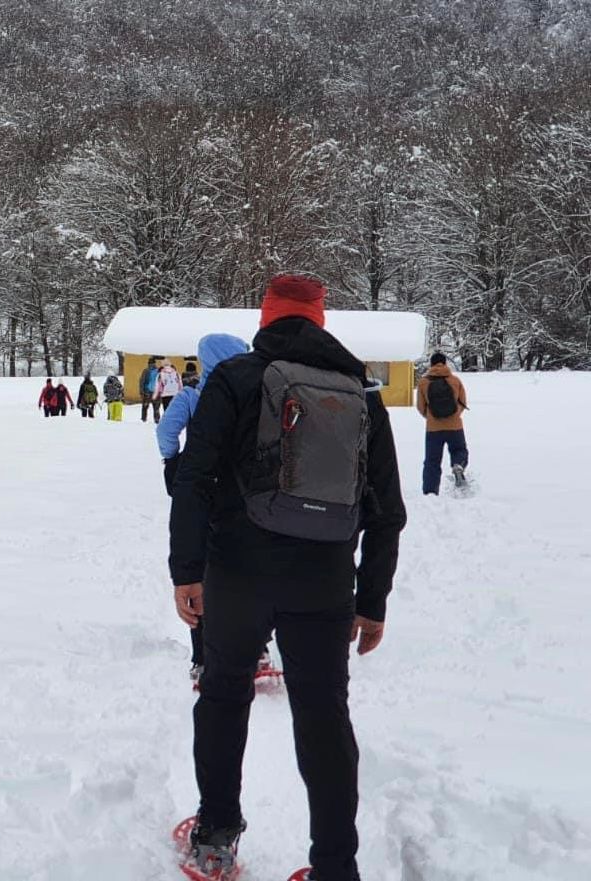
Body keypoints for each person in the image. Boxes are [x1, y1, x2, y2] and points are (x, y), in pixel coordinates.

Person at [169, 274, 406, 881]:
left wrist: (187, 569)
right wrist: (372, 599)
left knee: (224, 695)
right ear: (320, 320)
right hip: (324, 581)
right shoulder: (360, 392)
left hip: (238, 574)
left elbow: (194, 475)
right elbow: (386, 508)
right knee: (324, 715)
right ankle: (334, 867)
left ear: (266, 317)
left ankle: (216, 838)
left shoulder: (235, 378)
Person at [156, 333, 251, 684]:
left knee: (205, 569)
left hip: (204, 491)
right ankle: (256, 647)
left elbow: (166, 431)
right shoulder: (255, 391)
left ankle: (202, 655)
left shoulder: (193, 396)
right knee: (249, 570)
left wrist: (172, 460)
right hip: (247, 495)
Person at [416, 351, 469, 496]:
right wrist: (454, 415)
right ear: (445, 363)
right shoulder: (455, 381)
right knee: (459, 450)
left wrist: (431, 417)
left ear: (431, 364)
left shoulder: (423, 382)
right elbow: (463, 402)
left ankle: (430, 492)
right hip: (455, 427)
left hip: (433, 429)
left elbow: (420, 406)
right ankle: (458, 465)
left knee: (432, 461)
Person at [140, 356, 162, 422]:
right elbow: (142, 381)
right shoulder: (155, 371)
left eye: (151, 363)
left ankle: (146, 419)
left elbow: (142, 381)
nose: (151, 364)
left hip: (151, 392)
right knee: (153, 407)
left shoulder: (149, 371)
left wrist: (141, 391)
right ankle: (154, 419)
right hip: (152, 392)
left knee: (148, 407)